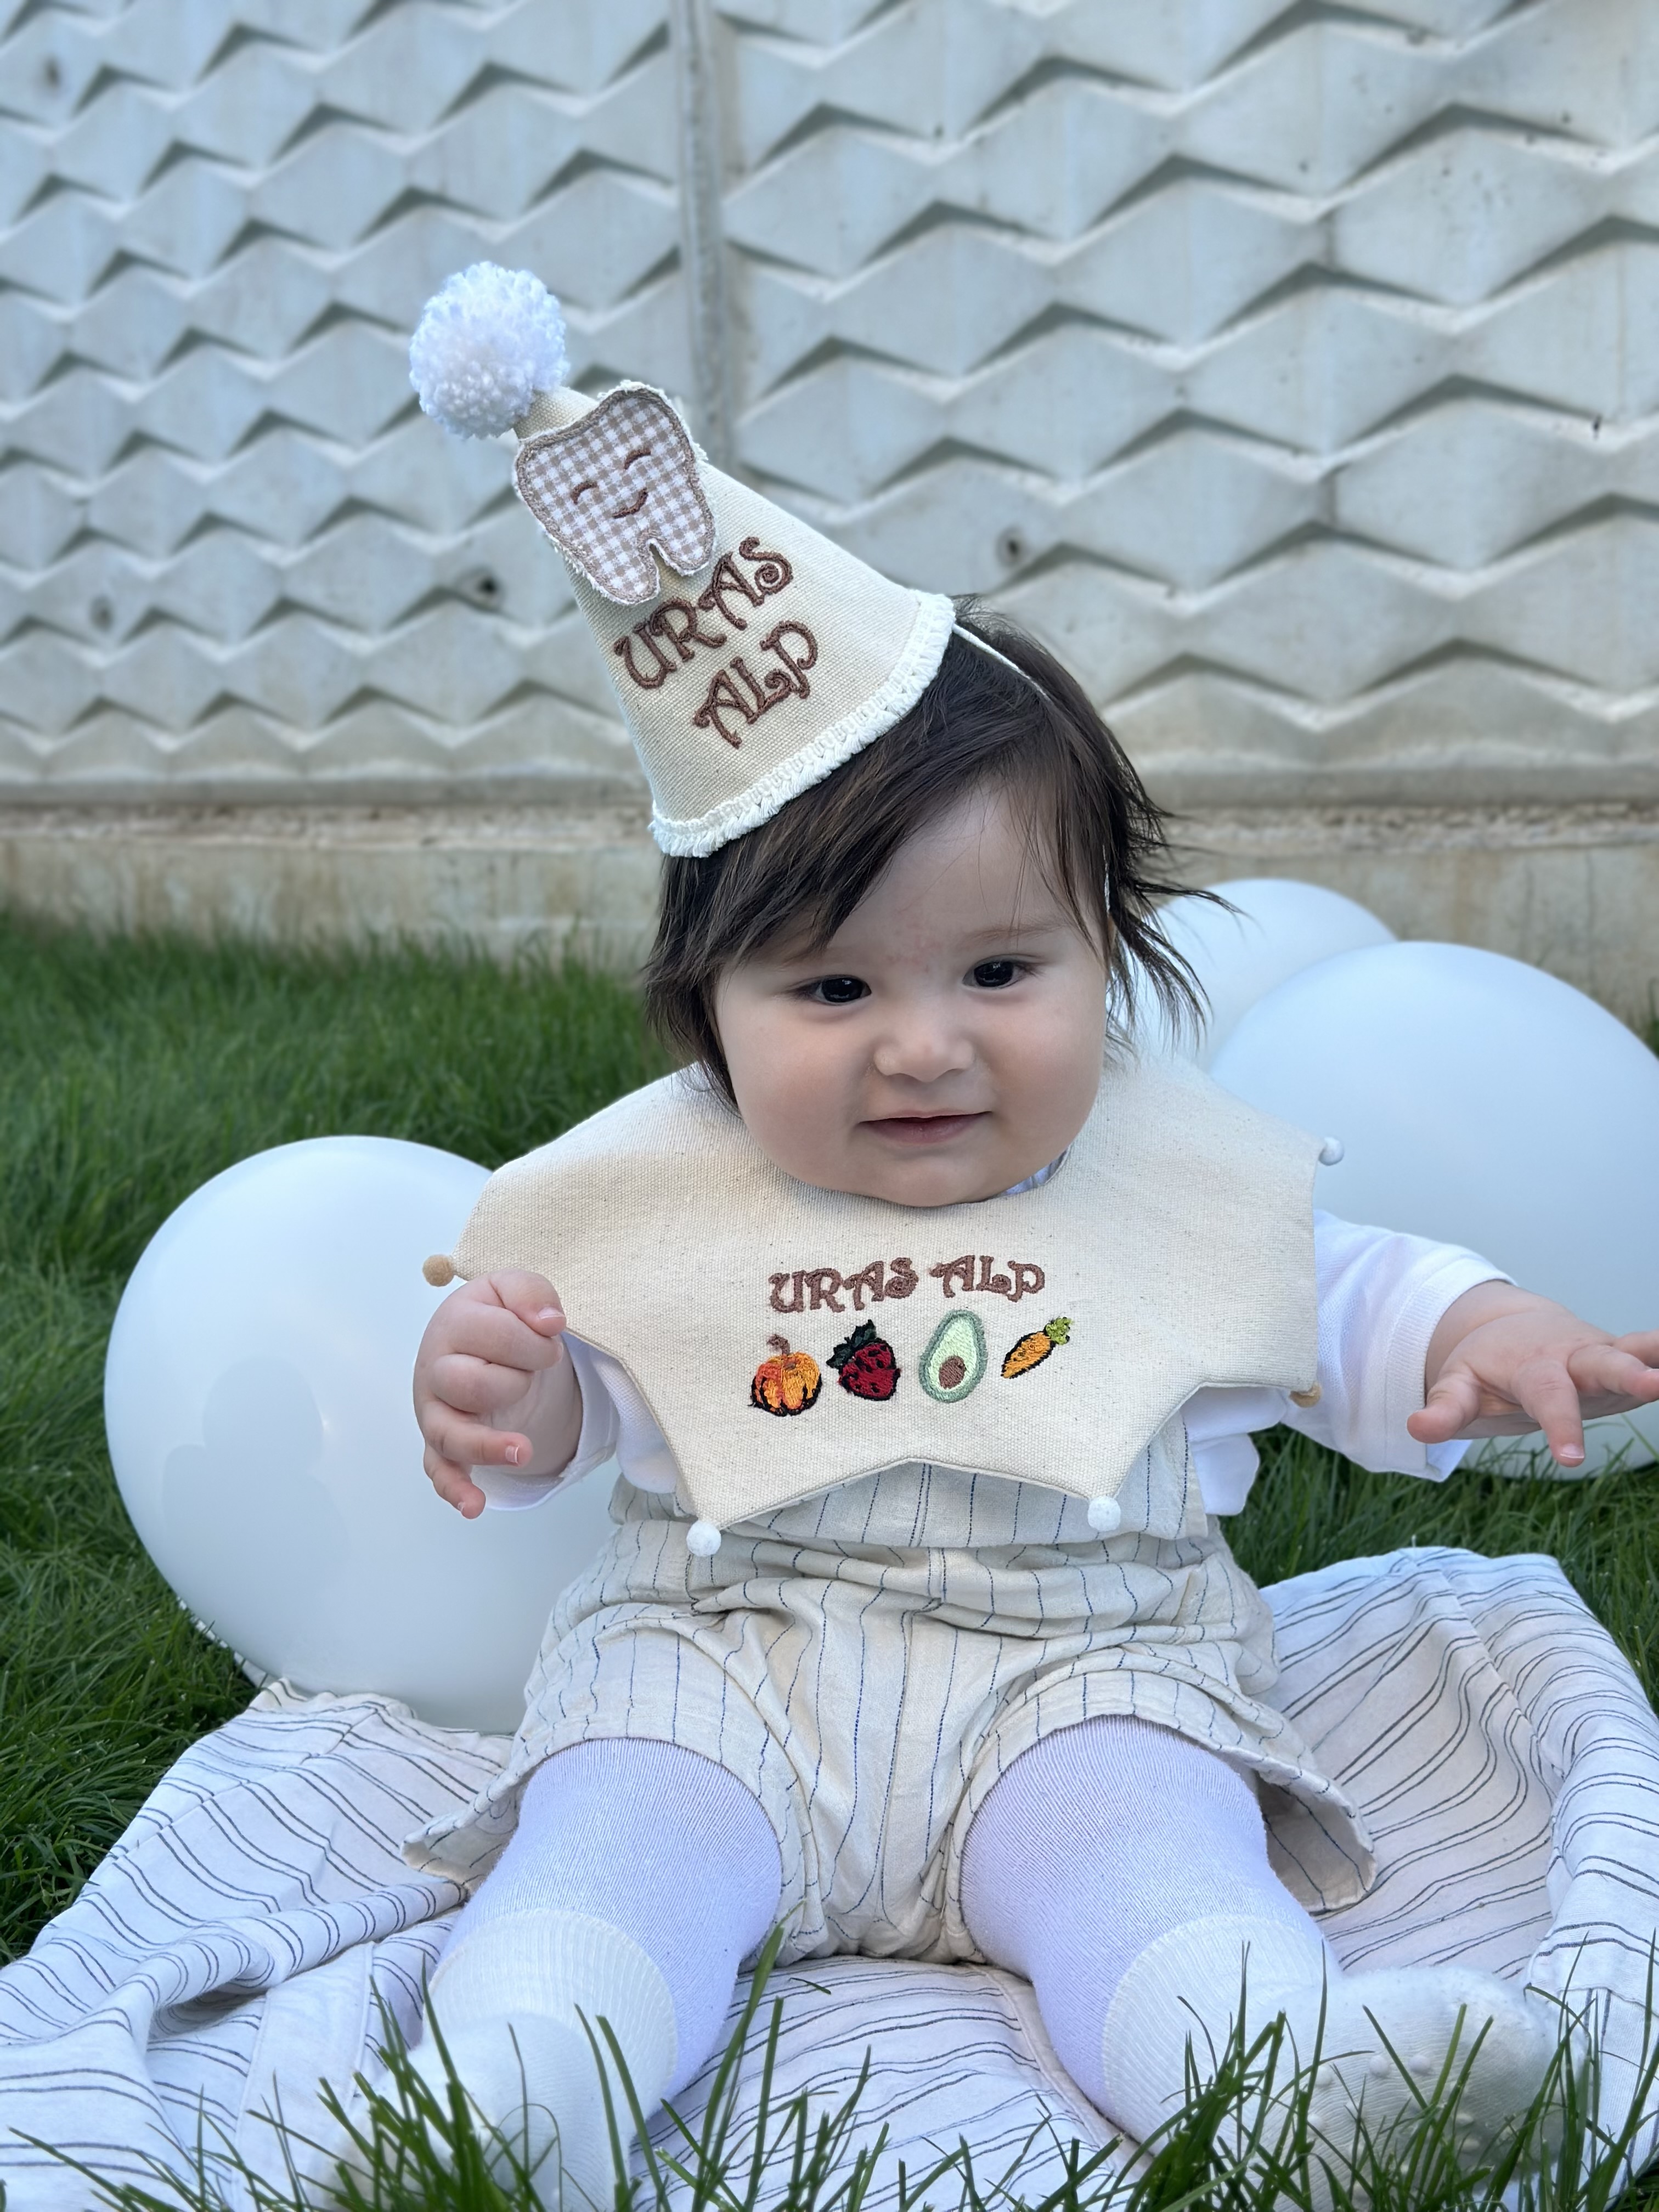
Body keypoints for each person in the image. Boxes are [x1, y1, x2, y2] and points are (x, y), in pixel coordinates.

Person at [400, 265, 1659, 2204]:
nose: (925, 1045)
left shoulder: (1166, 1169)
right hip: (730, 1666)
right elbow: (608, 1391)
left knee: (1157, 1868)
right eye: (831, 990)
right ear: (705, 1013)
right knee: (612, 1844)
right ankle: (520, 2088)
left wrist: (1471, 1329)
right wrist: (522, 1389)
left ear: (1110, 956)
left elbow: (1331, 1291)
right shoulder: (663, 1191)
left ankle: (1282, 2080)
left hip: (1083, 1677)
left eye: (1001, 970)